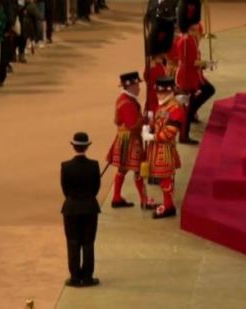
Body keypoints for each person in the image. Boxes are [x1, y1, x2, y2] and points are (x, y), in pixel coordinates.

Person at [61, 132, 101, 288]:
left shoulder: (65, 166)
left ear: (73, 146)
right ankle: (88, 277)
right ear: (87, 146)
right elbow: (96, 188)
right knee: (88, 243)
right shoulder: (94, 165)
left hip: (71, 208)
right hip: (90, 207)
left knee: (73, 242)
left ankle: (75, 277)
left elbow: (65, 189)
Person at [141, 77, 186, 219]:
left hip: (165, 149)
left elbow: (170, 132)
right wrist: (150, 125)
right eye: (158, 92)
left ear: (169, 92)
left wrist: (152, 137)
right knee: (162, 179)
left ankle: (169, 206)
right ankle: (168, 204)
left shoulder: (176, 108)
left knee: (165, 178)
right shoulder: (163, 105)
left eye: (161, 92)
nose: (158, 95)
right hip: (157, 148)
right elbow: (159, 123)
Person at [107, 72, 149, 209]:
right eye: (137, 85)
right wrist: (146, 119)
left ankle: (116, 197)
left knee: (122, 169)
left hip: (123, 138)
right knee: (138, 170)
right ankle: (144, 200)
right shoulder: (127, 103)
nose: (139, 88)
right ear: (130, 86)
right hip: (131, 140)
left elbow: (116, 121)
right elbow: (134, 126)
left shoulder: (123, 99)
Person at [175, 0, 208, 145]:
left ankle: (184, 134)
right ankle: (183, 136)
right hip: (186, 76)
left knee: (188, 107)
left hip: (189, 74)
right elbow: (188, 62)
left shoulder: (189, 38)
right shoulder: (186, 40)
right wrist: (202, 64)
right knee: (186, 109)